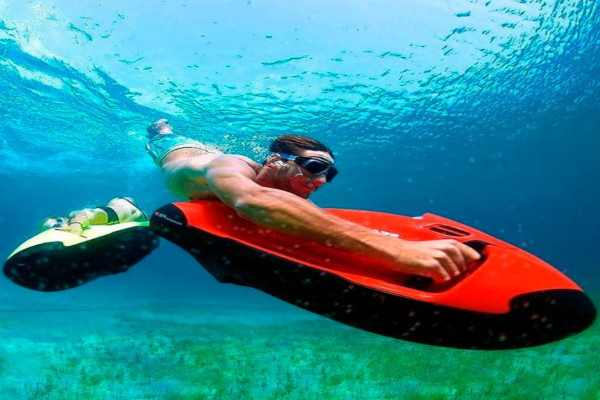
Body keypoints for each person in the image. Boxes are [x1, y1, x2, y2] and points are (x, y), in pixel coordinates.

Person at [146, 119, 480, 283]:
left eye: (328, 175)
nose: (320, 182)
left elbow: (302, 215)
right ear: (276, 161)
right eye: (315, 168)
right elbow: (252, 202)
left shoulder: (277, 187)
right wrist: (393, 248)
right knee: (162, 138)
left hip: (232, 174)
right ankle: (161, 129)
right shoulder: (228, 165)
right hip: (176, 152)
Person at [40, 197, 148, 236]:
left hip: (125, 206)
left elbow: (83, 214)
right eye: (52, 227)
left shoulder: (73, 216)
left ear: (63, 219)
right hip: (133, 213)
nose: (57, 227)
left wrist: (76, 225)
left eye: (57, 223)